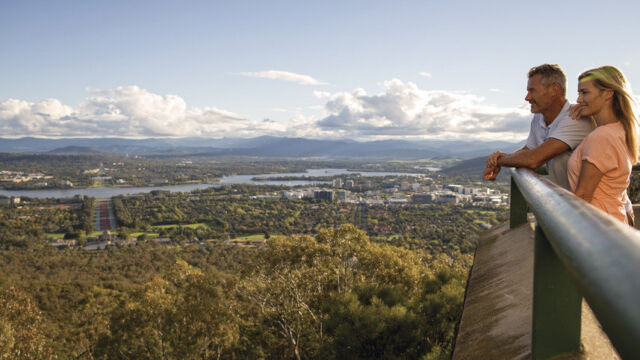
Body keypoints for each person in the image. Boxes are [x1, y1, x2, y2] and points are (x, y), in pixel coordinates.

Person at [483, 64, 594, 190]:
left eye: (532, 91)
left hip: (590, 207)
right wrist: (501, 158)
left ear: (554, 90)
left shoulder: (575, 118)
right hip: (570, 202)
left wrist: (500, 161)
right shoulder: (539, 118)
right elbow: (529, 150)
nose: (527, 98)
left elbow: (534, 159)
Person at [567, 66, 639, 224]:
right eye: (579, 93)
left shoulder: (602, 137)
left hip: (597, 226)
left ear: (608, 93)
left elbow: (583, 195)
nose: (578, 100)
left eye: (585, 93)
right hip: (613, 224)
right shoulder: (619, 130)